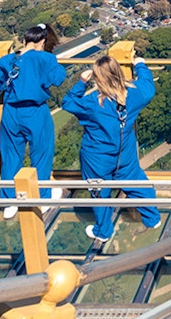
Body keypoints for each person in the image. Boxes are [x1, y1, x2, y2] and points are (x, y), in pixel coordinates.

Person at [62, 54, 160, 243]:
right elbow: (148, 85)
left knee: (100, 192)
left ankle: (103, 231)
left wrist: (82, 82)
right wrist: (139, 65)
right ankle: (152, 217)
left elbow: (67, 102)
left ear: (98, 79)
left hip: (97, 157)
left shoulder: (92, 103)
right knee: (136, 181)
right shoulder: (134, 93)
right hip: (125, 153)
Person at [0, 23, 67, 219]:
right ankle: (42, 198)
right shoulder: (46, 58)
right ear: (43, 42)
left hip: (11, 113)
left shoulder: (8, 60)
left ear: (24, 40)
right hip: (35, 112)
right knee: (41, 156)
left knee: (11, 156)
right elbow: (58, 78)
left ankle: (10, 202)